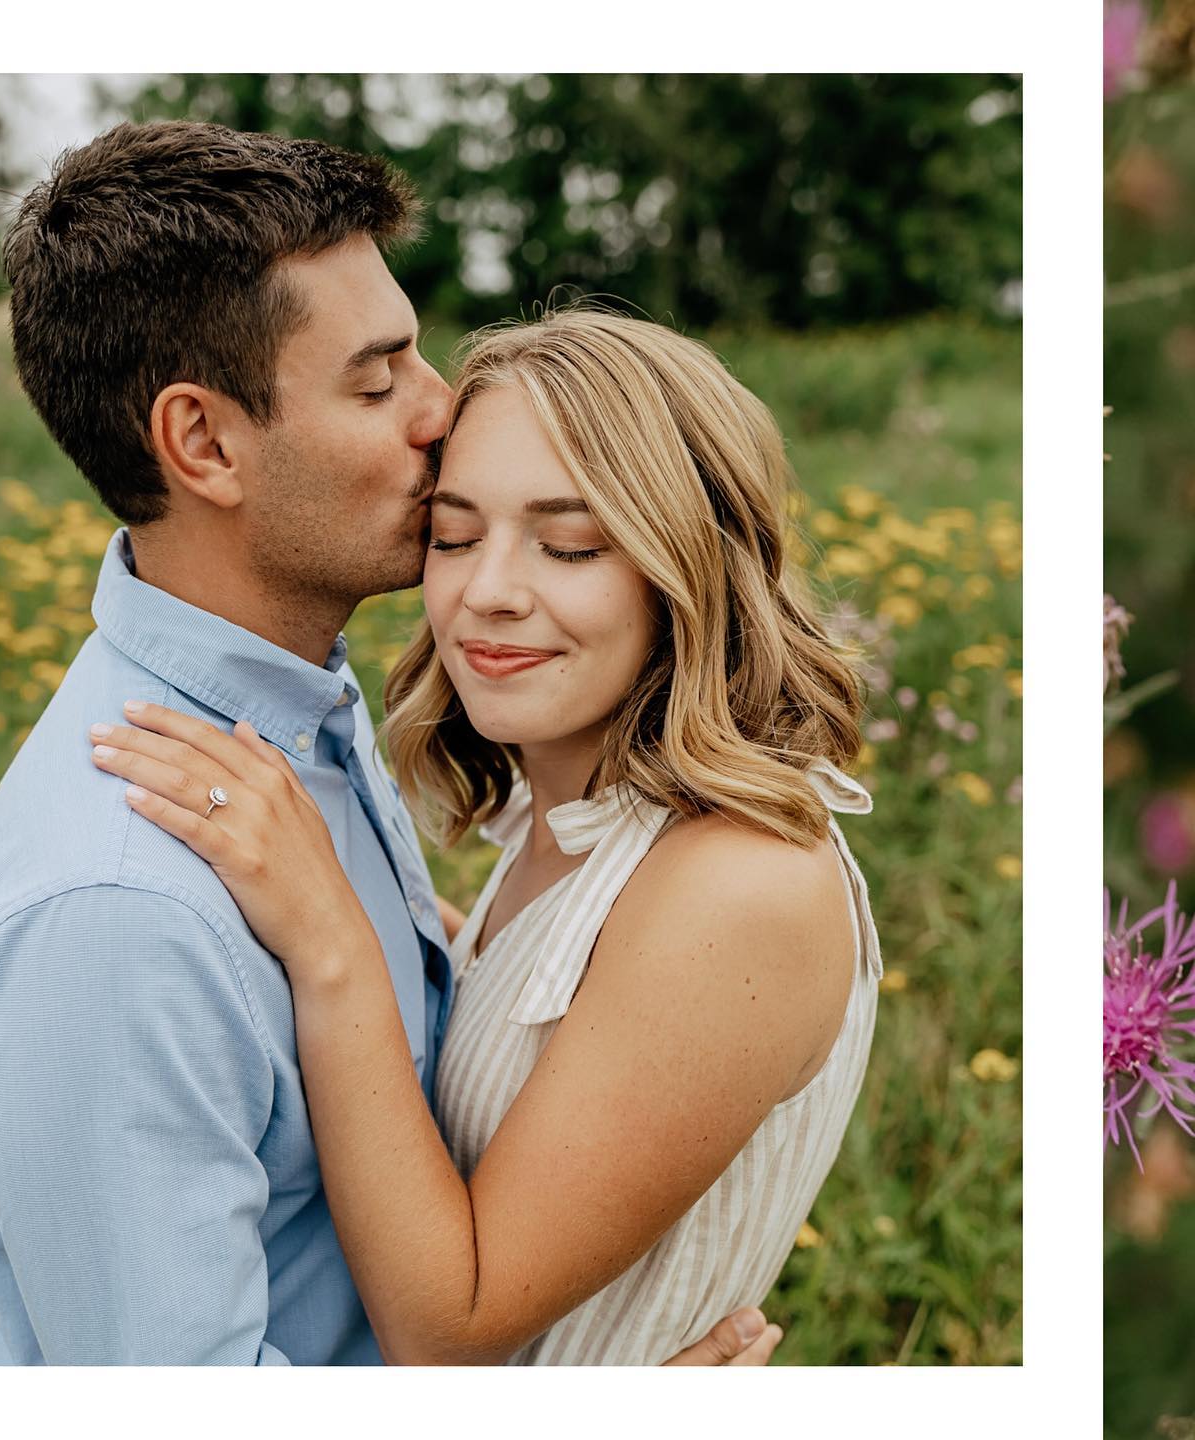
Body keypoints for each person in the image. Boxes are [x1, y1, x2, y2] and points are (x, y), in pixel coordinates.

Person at [0, 119, 779, 1366]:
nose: (441, 410)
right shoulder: (117, 913)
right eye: (377, 382)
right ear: (203, 443)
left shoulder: (296, 715)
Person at [88, 306, 882, 1365]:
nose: (488, 595)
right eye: (455, 537)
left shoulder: (737, 885)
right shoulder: (577, 831)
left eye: (568, 545)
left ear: (688, 566)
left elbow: (444, 1327)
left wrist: (333, 945)